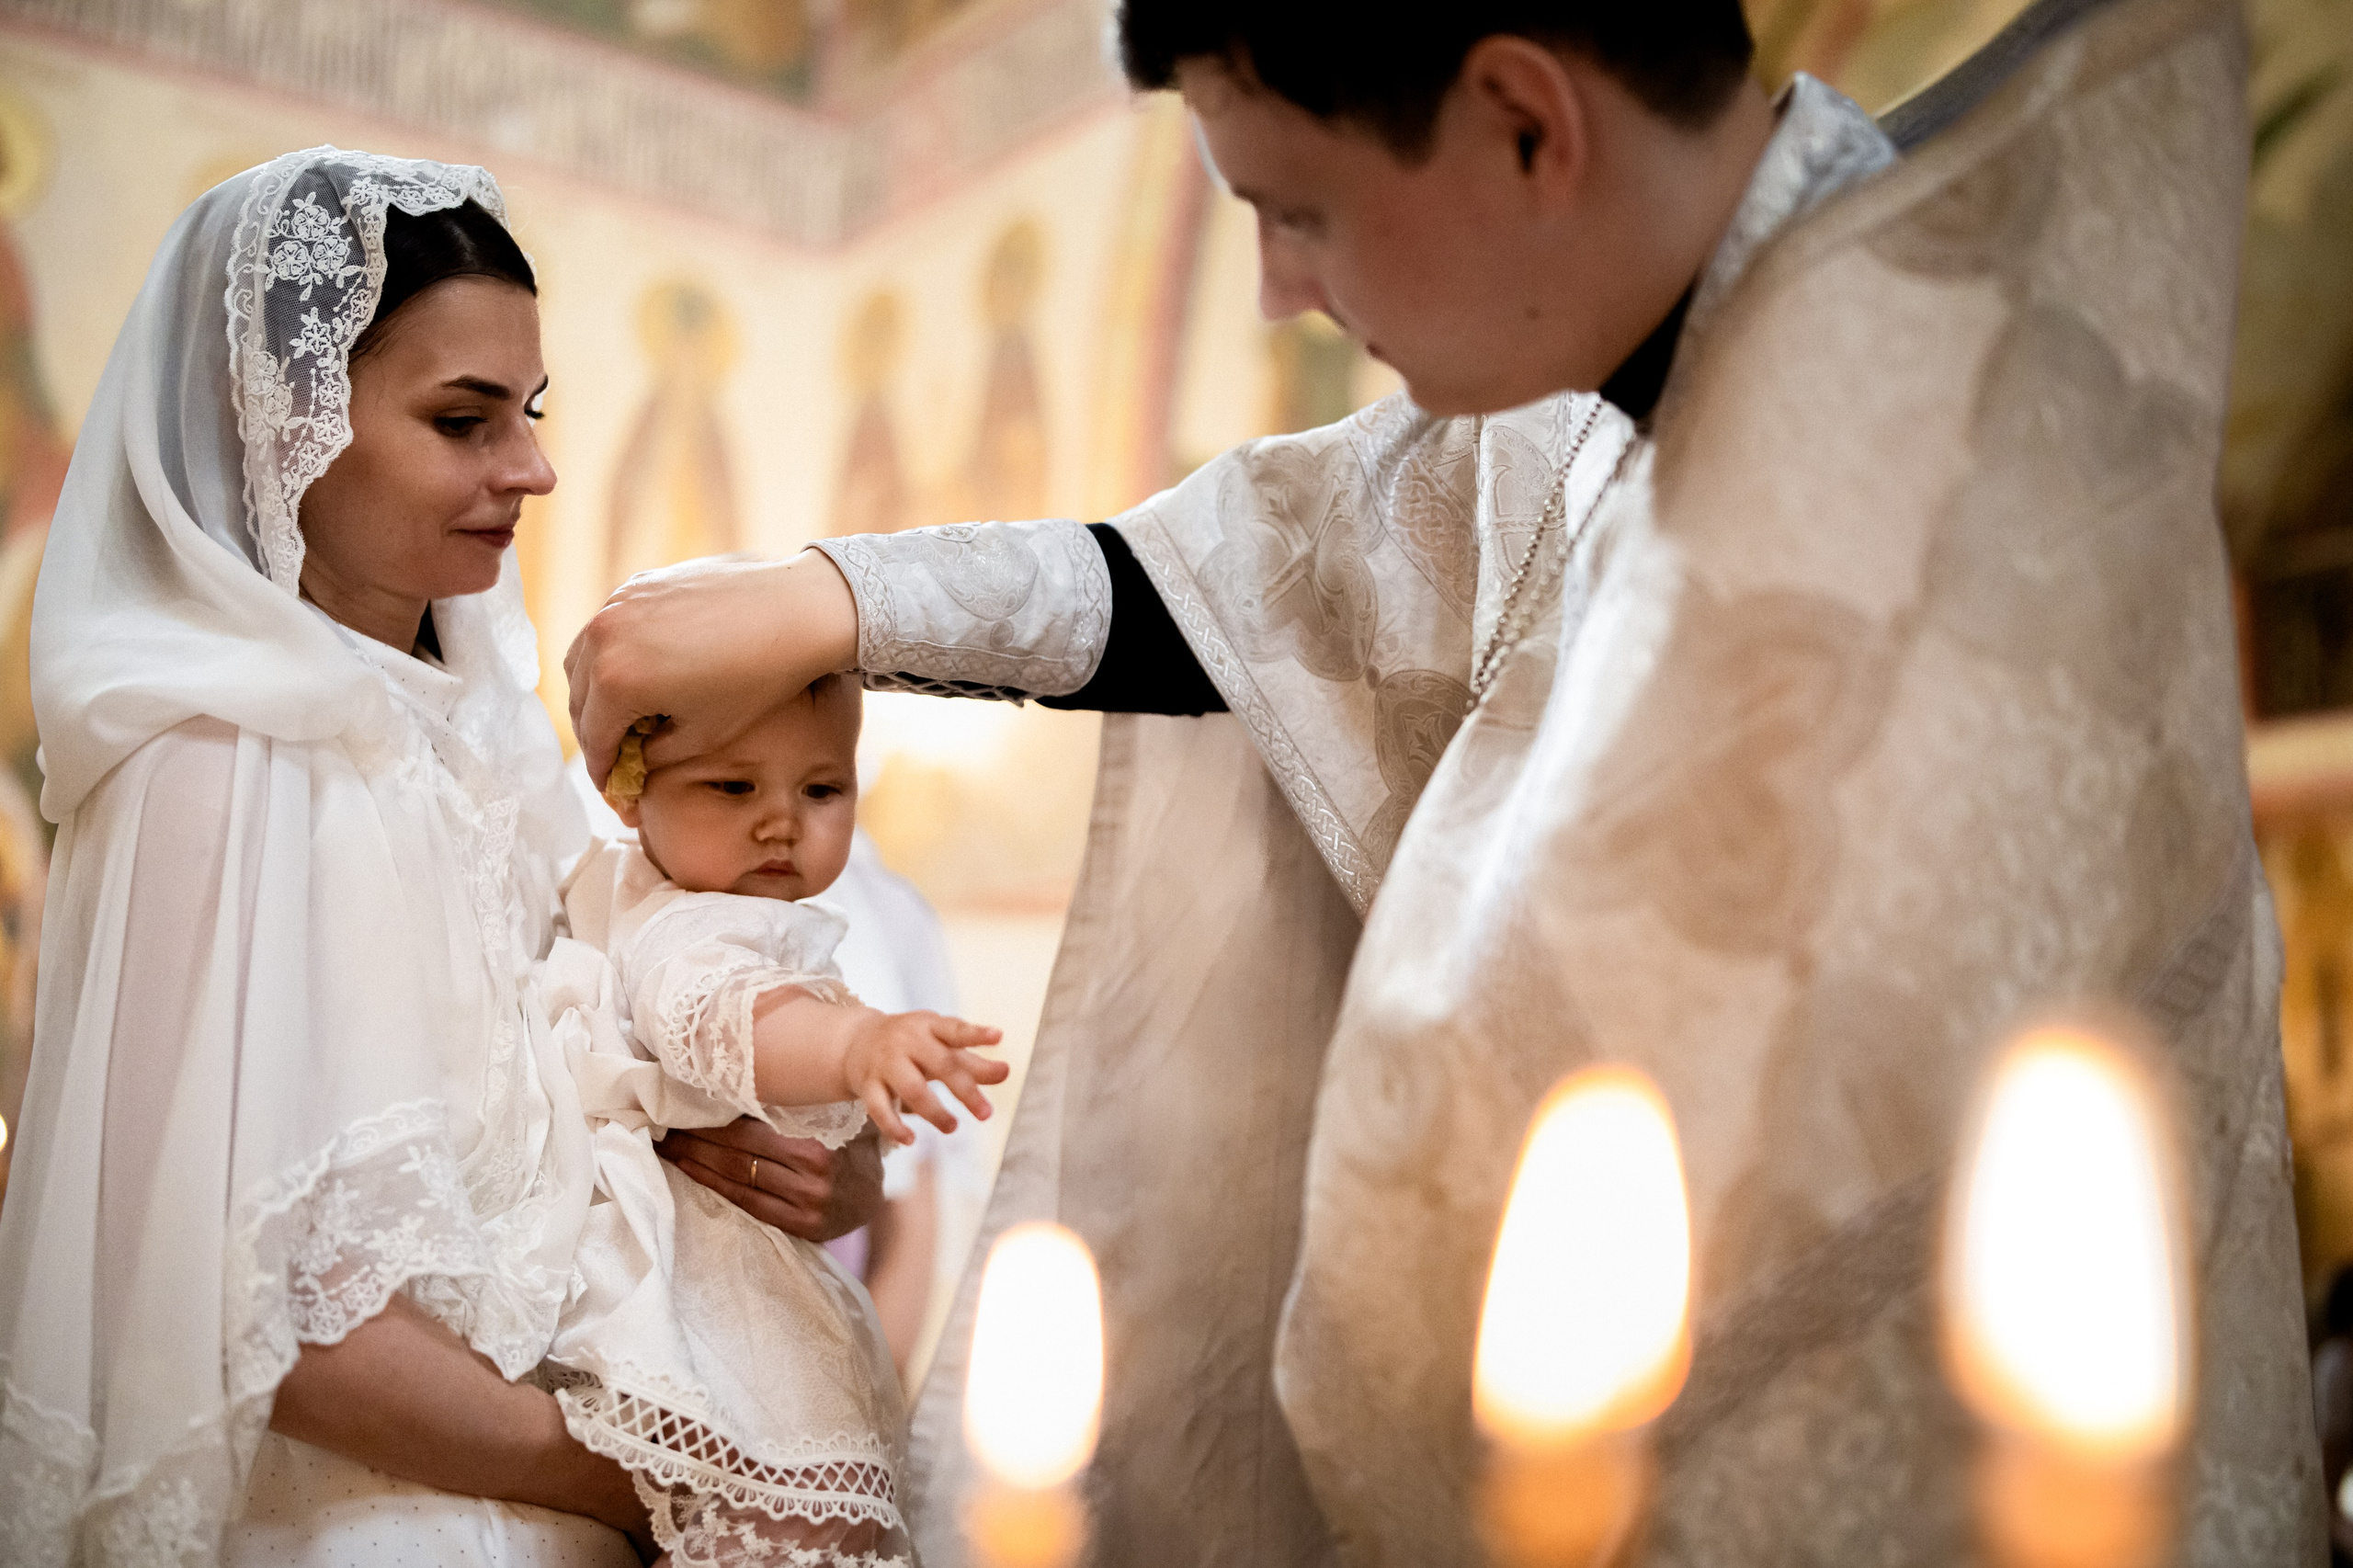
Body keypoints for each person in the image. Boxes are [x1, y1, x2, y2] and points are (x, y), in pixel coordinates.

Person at [565, 2, 2323, 1563]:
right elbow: (1219, 591)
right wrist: (827, 598)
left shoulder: (1960, 424)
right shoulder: (1556, 414)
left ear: (1526, 123)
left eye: (1297, 209)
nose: (1280, 288)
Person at [0, 150, 882, 1566]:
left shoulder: (486, 741)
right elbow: (243, 1307)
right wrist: (638, 1477)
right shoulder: (203, 766)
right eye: (464, 420)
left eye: (527, 415)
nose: (531, 468)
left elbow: (610, 1072)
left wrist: (814, 1159)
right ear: (278, 418)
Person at [543, 677, 1004, 1564]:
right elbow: (726, 1014)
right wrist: (853, 1042)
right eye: (733, 787)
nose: (782, 822)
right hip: (701, 1307)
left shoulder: (820, 909)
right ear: (632, 798)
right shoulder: (678, 925)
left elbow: (919, 1198)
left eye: (821, 790)